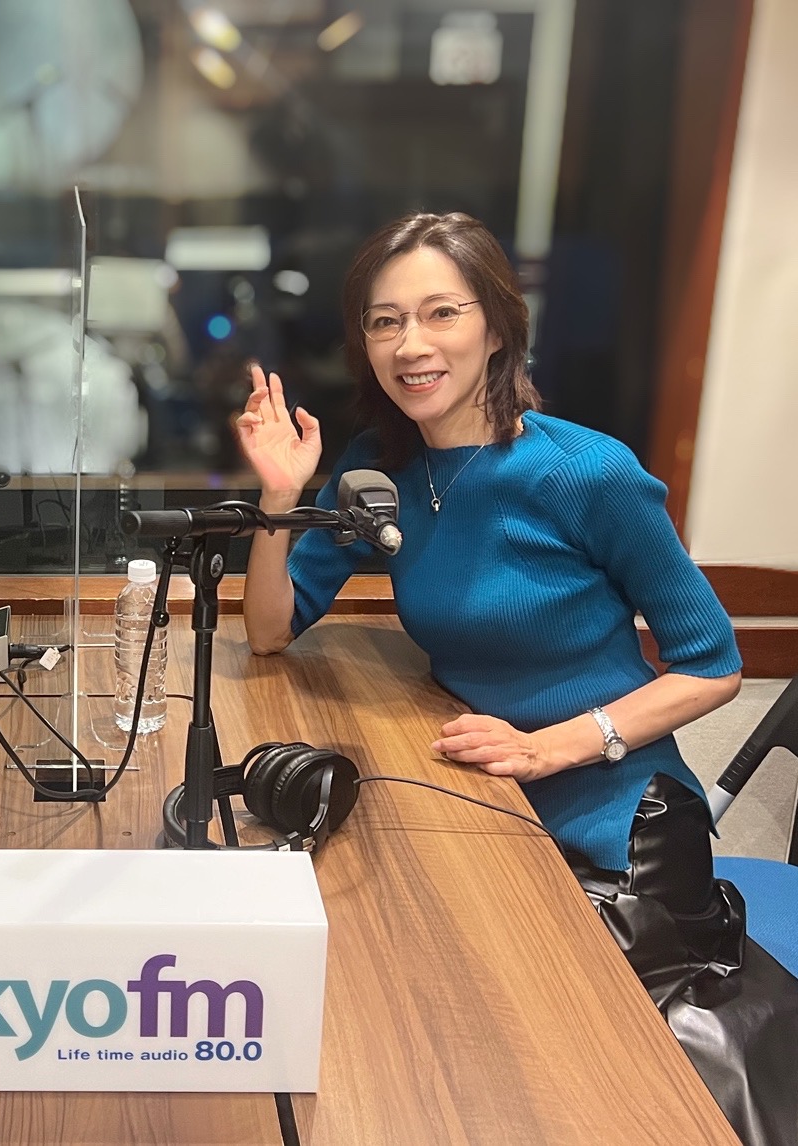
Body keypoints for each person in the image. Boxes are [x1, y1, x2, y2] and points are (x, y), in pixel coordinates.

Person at [239, 211, 796, 1145]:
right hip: (491, 806)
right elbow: (269, 629)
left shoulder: (586, 472)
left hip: (618, 829)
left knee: (536, 1064)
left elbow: (713, 667)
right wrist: (278, 498)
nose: (411, 344)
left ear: (497, 327)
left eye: (440, 313)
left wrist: (551, 747)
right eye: (384, 321)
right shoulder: (379, 470)